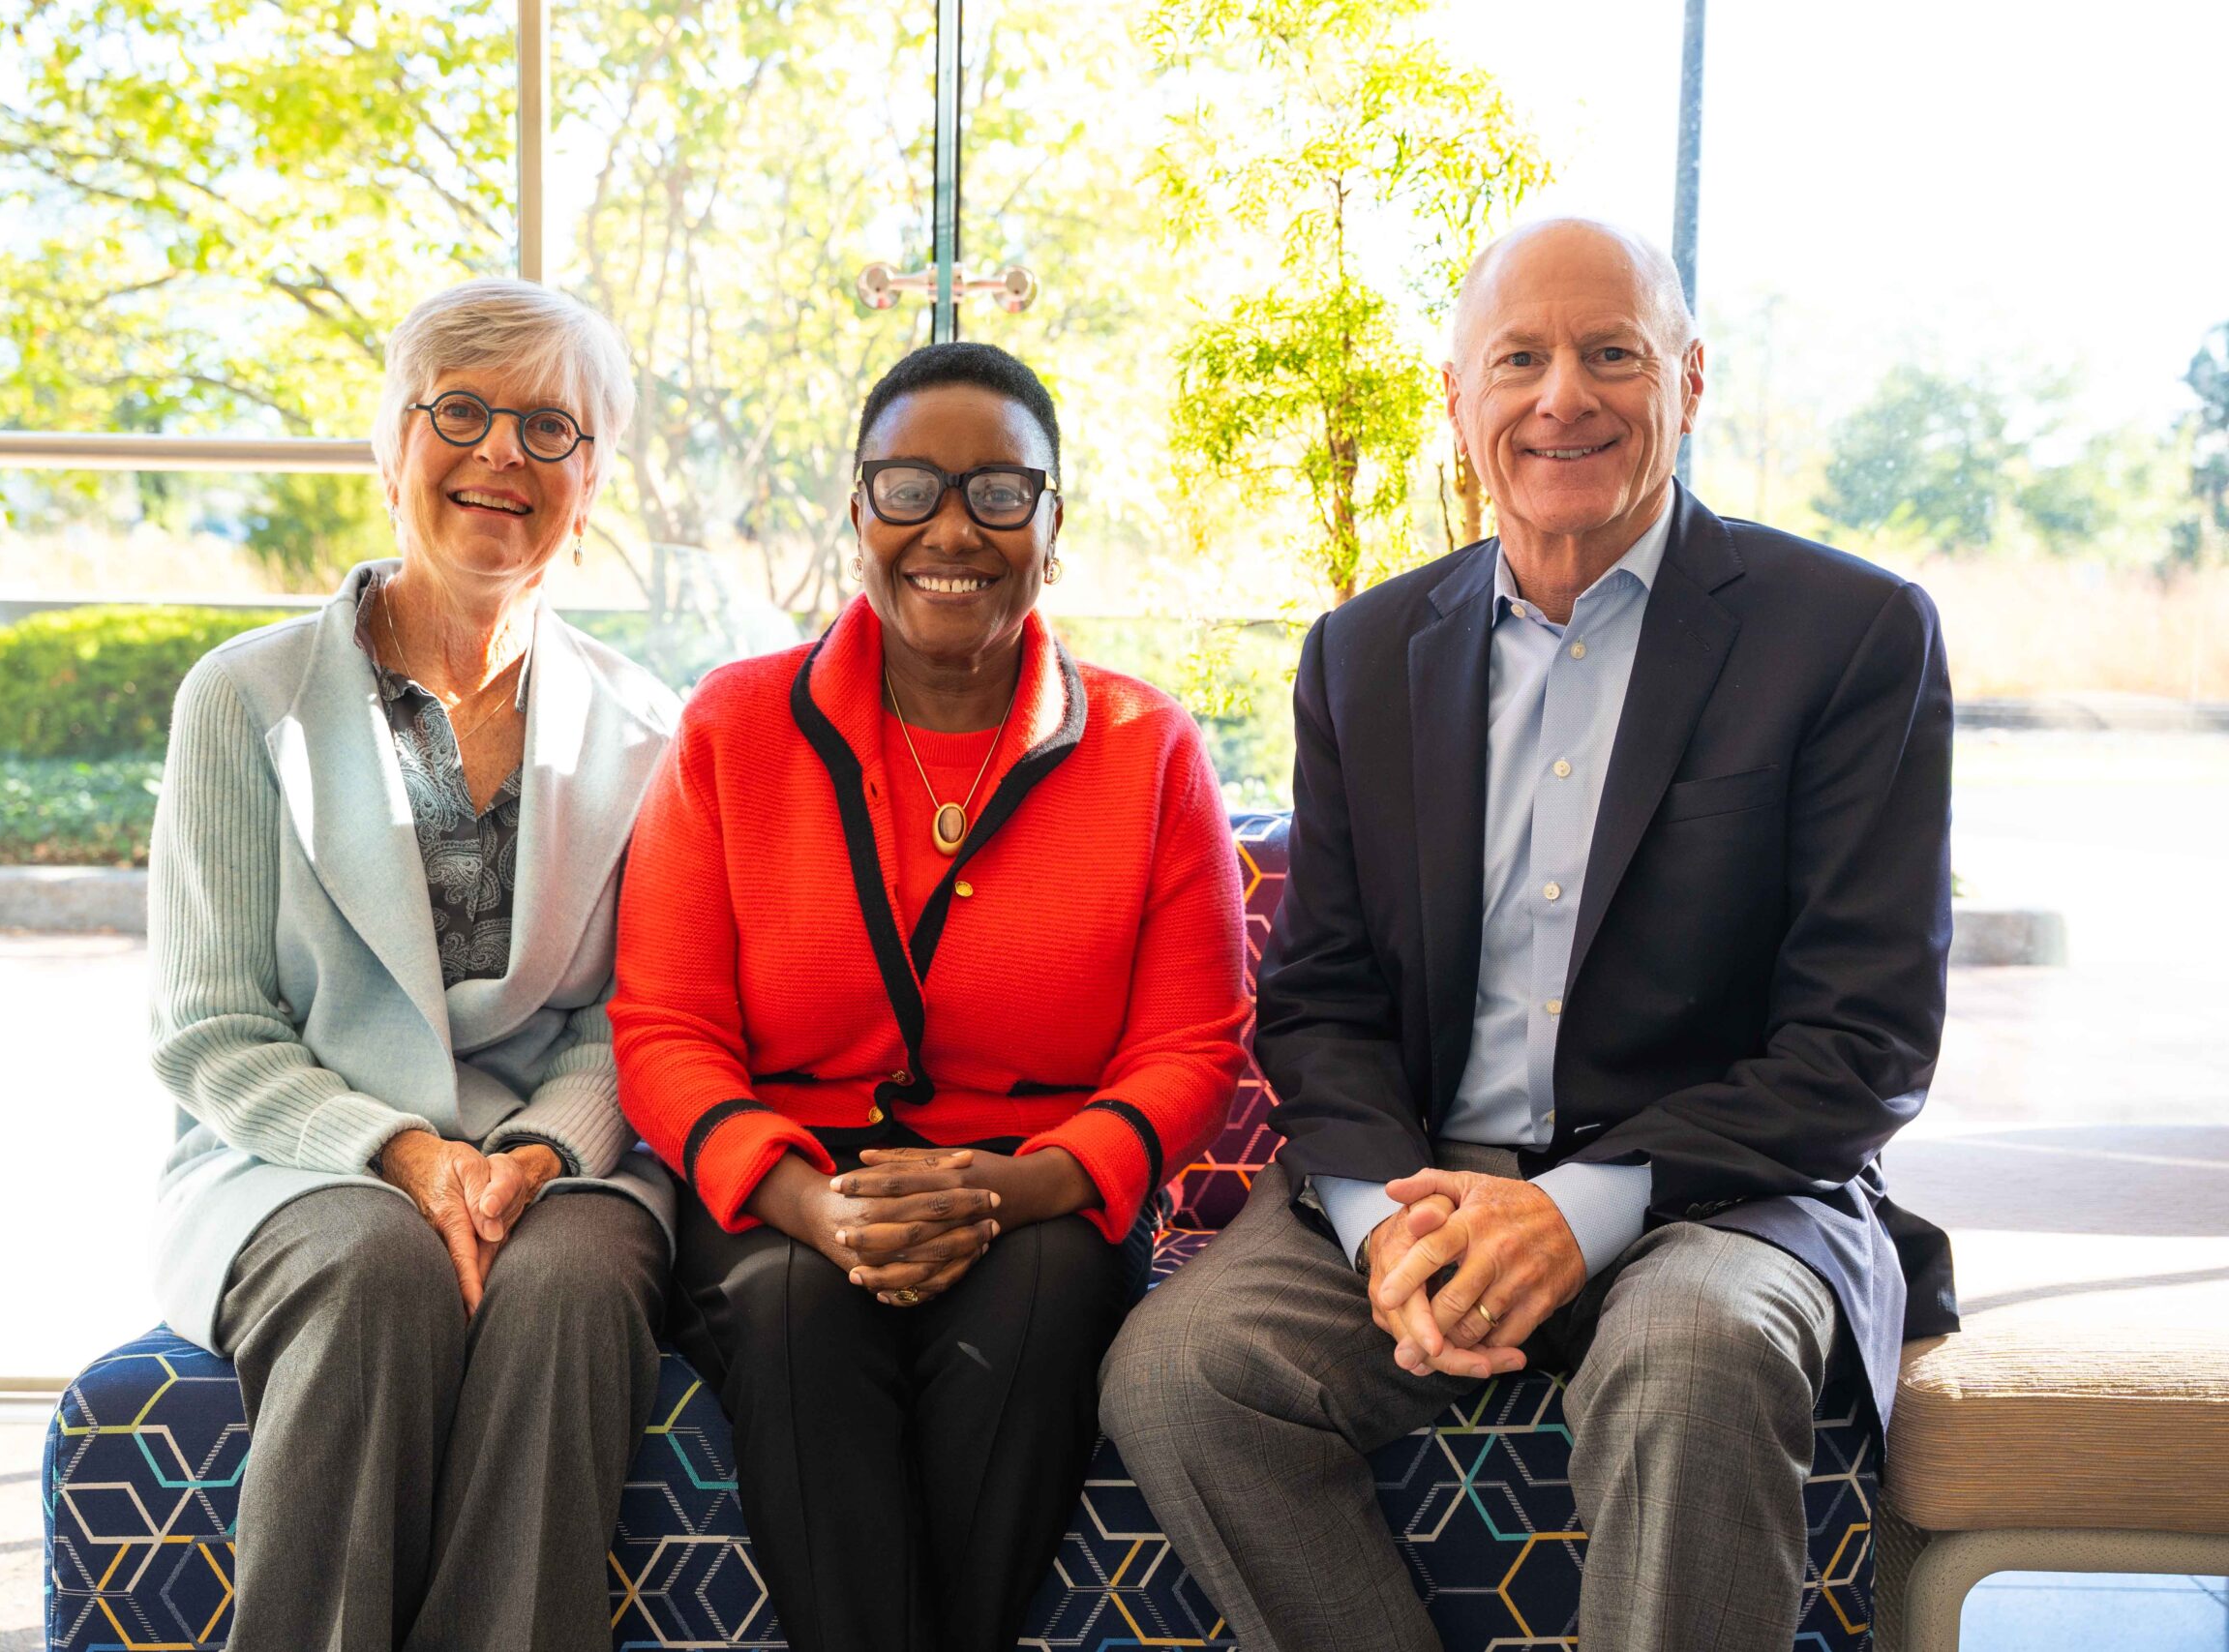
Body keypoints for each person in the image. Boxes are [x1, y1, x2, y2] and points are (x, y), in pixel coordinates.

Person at [1101, 218, 1961, 1652]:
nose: (1563, 396)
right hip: (1423, 1177)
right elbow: (1315, 1004)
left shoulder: (1850, 635)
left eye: (1610, 353)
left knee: (1696, 1357)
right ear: (1458, 401)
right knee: (1182, 1375)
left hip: (1718, 1195)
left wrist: (1578, 1210)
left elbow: (1864, 1045)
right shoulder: (1364, 656)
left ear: (1688, 380)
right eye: (1520, 358)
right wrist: (1389, 1225)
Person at [610, 341, 1250, 1652]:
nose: (953, 528)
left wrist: (1004, 1191)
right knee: (790, 1309)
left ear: (1054, 529)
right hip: (786, 1185)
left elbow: (1193, 1047)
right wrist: (812, 1204)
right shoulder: (734, 727)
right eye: (910, 488)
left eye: (1002, 492)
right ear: (858, 513)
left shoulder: (1146, 747)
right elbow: (665, 1033)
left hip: (1042, 1189)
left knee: (1041, 1298)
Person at [146, 277, 679, 1652]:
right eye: (461, 413)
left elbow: (640, 1019)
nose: (504, 453)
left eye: (550, 429)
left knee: (568, 1287)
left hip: (561, 1162)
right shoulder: (243, 700)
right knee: (376, 1271)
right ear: (391, 447)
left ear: (593, 477)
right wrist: (404, 1152)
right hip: (298, 1159)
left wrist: (539, 1158)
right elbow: (212, 1029)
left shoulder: (651, 729)